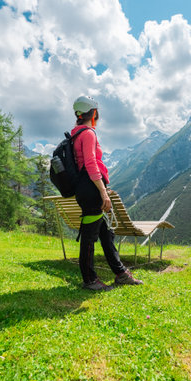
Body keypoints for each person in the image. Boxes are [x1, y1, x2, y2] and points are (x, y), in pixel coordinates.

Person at [71, 95, 143, 291]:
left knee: (106, 233)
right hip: (92, 190)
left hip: (87, 188)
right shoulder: (88, 134)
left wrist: (101, 188)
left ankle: (120, 274)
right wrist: (103, 192)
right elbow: (91, 164)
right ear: (93, 113)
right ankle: (90, 280)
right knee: (89, 237)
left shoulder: (76, 134)